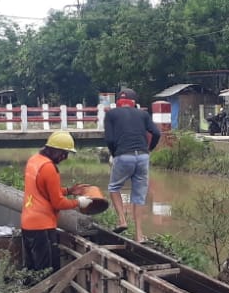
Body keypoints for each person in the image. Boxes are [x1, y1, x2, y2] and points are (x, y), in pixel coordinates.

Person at [21, 130, 101, 272]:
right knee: (47, 271)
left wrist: (69, 191)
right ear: (55, 150)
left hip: (28, 223)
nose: (65, 157)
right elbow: (58, 203)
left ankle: (30, 287)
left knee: (32, 269)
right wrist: (79, 202)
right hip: (42, 227)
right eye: (64, 153)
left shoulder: (34, 161)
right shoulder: (49, 168)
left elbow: (42, 190)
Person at [103, 88, 160, 240]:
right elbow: (156, 133)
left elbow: (109, 139)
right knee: (139, 196)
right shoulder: (143, 114)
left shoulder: (111, 114)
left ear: (118, 102)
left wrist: (115, 153)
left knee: (114, 187)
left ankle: (122, 221)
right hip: (142, 156)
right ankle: (139, 235)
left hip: (123, 155)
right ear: (134, 102)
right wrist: (149, 149)